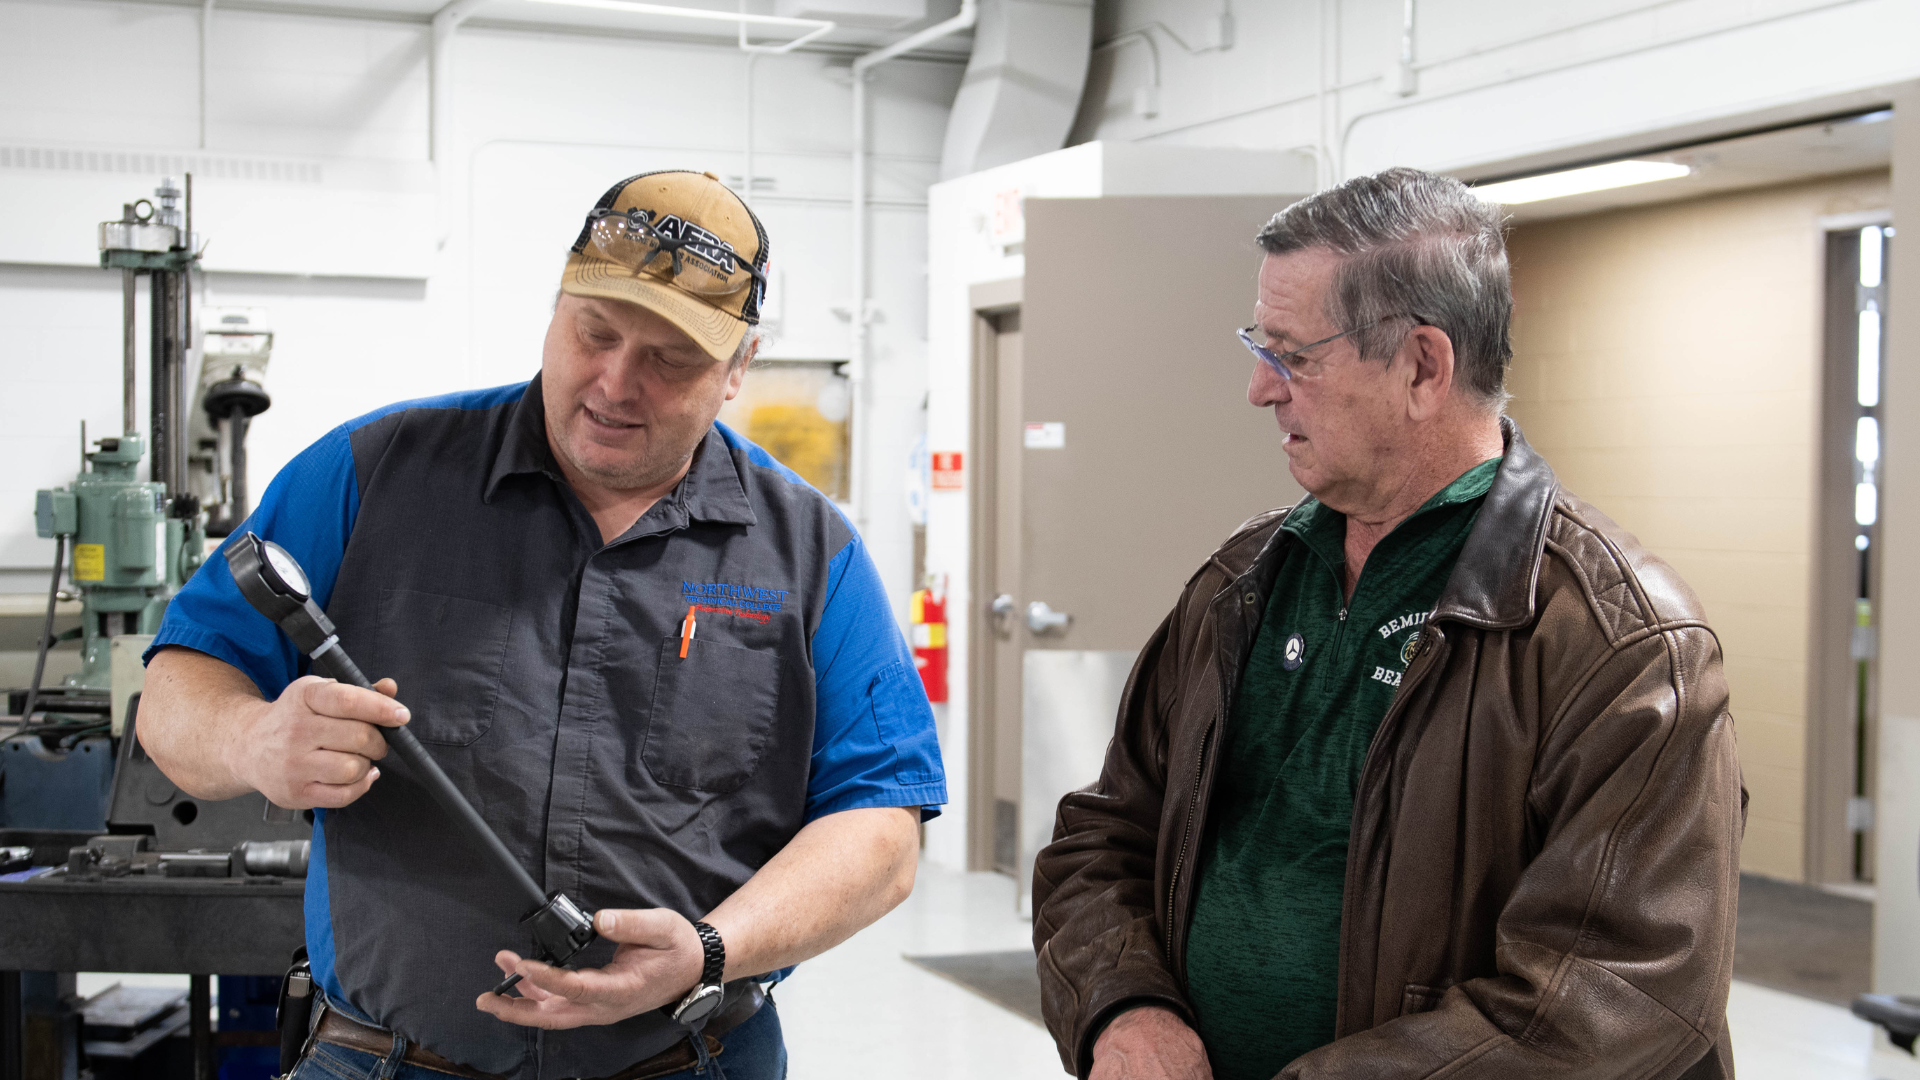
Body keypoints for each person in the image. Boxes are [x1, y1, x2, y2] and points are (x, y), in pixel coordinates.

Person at [138, 170, 946, 1080]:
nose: (615, 382)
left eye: (671, 359)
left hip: (686, 1061)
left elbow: (881, 829)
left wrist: (713, 949)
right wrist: (251, 737)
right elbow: (175, 692)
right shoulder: (370, 475)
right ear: (555, 310)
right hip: (383, 1061)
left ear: (737, 371)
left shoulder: (810, 552)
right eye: (593, 333)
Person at [1031, 167, 1744, 1080]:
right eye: (1259, 343)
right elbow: (1104, 840)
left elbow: (1618, 998)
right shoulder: (1241, 584)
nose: (1258, 387)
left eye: (1293, 354)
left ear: (1422, 366)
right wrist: (1123, 1007)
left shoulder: (1623, 646)